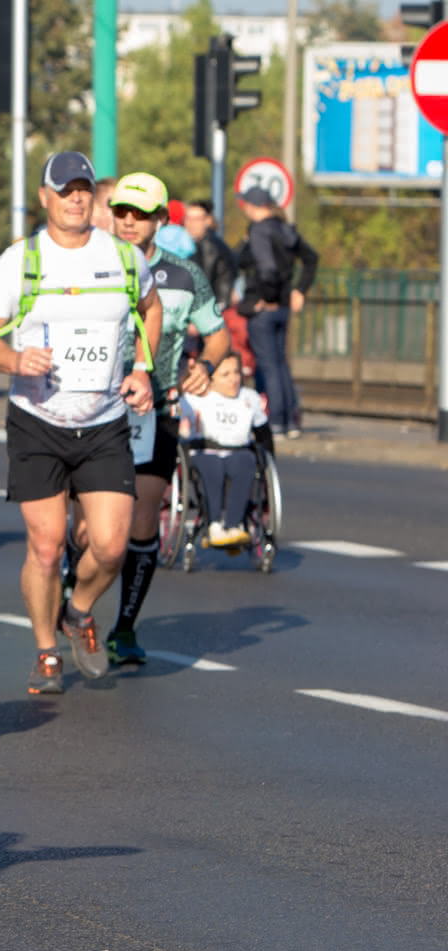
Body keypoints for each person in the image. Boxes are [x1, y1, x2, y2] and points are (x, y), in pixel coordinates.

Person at [0, 152, 161, 695]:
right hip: (37, 421)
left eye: (83, 189)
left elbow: (151, 308)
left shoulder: (123, 258)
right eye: (66, 189)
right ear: (45, 197)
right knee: (48, 546)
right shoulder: (20, 260)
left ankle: (76, 610)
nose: (76, 198)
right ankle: (46, 650)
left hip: (103, 420)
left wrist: (143, 368)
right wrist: (14, 360)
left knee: (112, 544)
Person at [97, 172, 229, 665]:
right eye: (122, 212)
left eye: (141, 214)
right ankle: (74, 592)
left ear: (160, 220)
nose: (129, 221)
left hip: (157, 408)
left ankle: (124, 627)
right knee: (89, 528)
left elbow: (217, 334)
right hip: (92, 408)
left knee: (142, 516)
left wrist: (207, 367)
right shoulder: (91, 262)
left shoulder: (183, 273)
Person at [235, 187, 318, 439]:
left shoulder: (259, 230)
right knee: (281, 365)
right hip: (283, 308)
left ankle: (276, 423)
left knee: (269, 365)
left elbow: (266, 269)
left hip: (265, 308)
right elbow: (311, 258)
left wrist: (264, 298)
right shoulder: (286, 229)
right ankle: (291, 421)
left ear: (253, 205)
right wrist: (299, 289)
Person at [180, 352, 272, 547]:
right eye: (225, 374)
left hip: (238, 451)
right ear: (211, 379)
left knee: (247, 462)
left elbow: (263, 432)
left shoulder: (249, 398)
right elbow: (177, 420)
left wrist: (269, 461)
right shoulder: (197, 397)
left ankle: (233, 525)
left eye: (236, 372)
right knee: (213, 467)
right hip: (204, 451)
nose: (233, 379)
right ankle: (214, 526)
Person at [182, 200, 236, 312]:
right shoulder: (198, 243)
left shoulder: (208, 246)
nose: (191, 223)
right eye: (188, 218)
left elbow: (203, 284)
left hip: (212, 310)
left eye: (196, 219)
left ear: (208, 220)